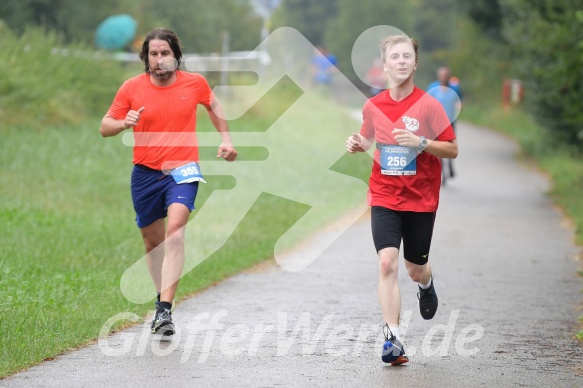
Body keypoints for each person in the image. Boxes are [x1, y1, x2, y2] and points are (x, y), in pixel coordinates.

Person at [99, 28, 238, 336]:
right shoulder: (131, 88)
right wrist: (125, 122)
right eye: (153, 54)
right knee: (153, 242)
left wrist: (226, 139)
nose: (159, 60)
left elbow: (214, 106)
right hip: (145, 173)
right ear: (145, 58)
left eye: (165, 53)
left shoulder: (195, 83)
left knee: (175, 231)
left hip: (183, 169)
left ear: (176, 56)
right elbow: (104, 126)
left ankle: (164, 309)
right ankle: (160, 296)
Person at [345, 34, 458, 365]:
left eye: (407, 56)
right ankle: (392, 339)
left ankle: (427, 282)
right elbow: (367, 139)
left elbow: (452, 148)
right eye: (395, 56)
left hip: (421, 198)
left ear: (416, 63)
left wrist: (421, 141)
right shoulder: (374, 105)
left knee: (413, 268)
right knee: (386, 263)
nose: (401, 61)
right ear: (384, 65)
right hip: (384, 195)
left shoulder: (429, 105)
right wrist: (356, 143)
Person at [426, 66, 462, 184]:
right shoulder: (433, 88)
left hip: (450, 122)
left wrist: (457, 108)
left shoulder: (455, 88)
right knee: (439, 147)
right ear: (438, 76)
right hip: (436, 124)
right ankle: (443, 173)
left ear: (448, 76)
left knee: (451, 146)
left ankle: (450, 165)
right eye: (442, 75)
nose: (443, 77)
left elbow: (459, 101)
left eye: (445, 75)